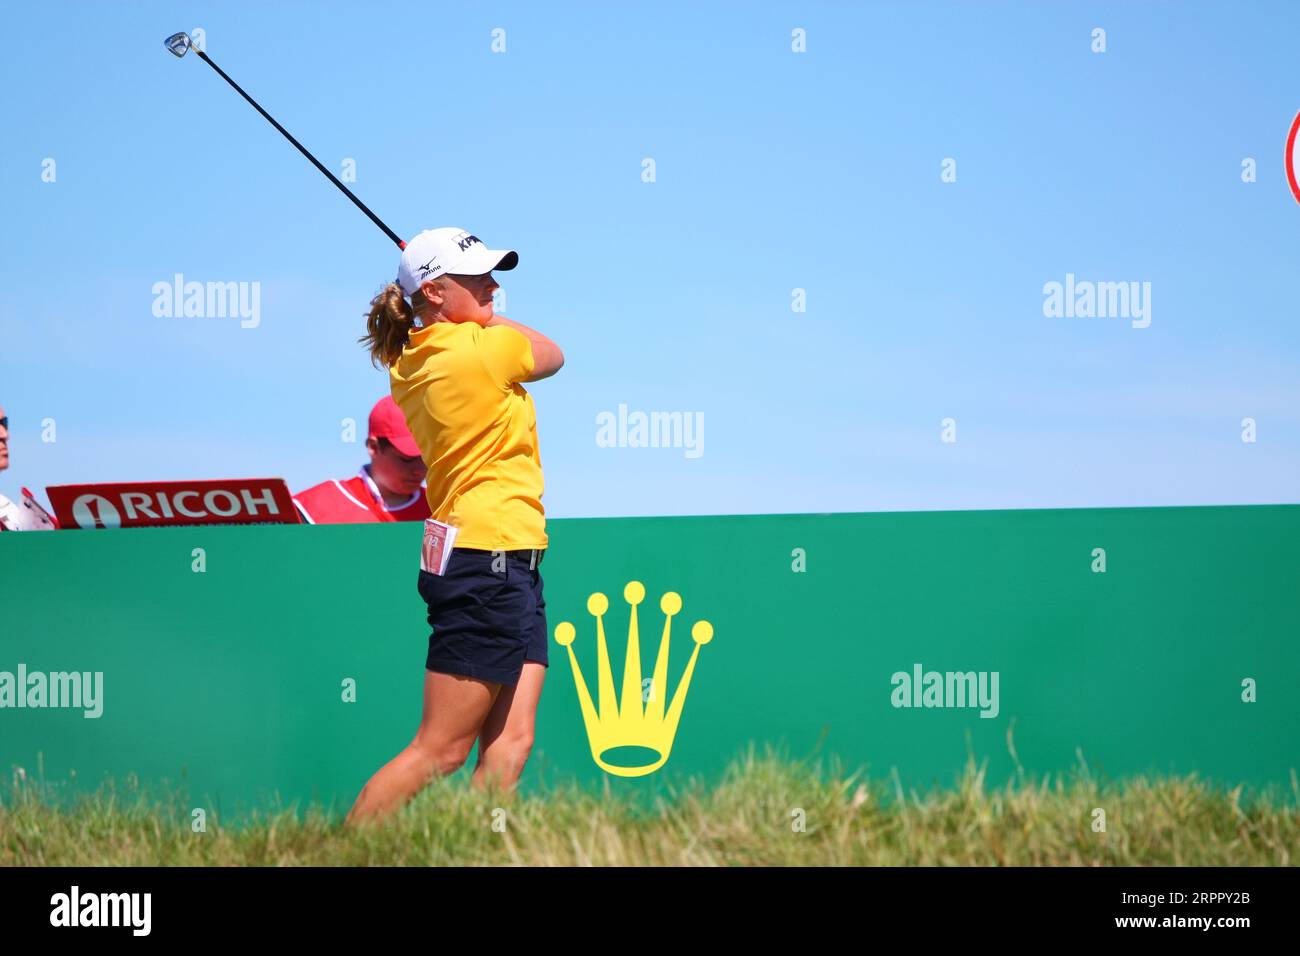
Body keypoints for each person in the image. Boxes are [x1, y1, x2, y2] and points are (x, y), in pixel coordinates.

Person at [346, 227, 564, 824]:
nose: (494, 286)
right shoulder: (479, 348)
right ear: (436, 292)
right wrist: (483, 319)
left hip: (507, 558)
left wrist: (453, 300)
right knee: (440, 751)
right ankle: (335, 856)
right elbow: (553, 354)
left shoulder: (409, 359)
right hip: (484, 558)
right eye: (477, 278)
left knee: (510, 746)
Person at [292, 396, 431, 524]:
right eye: (407, 459)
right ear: (373, 447)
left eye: (426, 459)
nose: (420, 471)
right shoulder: (316, 506)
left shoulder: (440, 509)